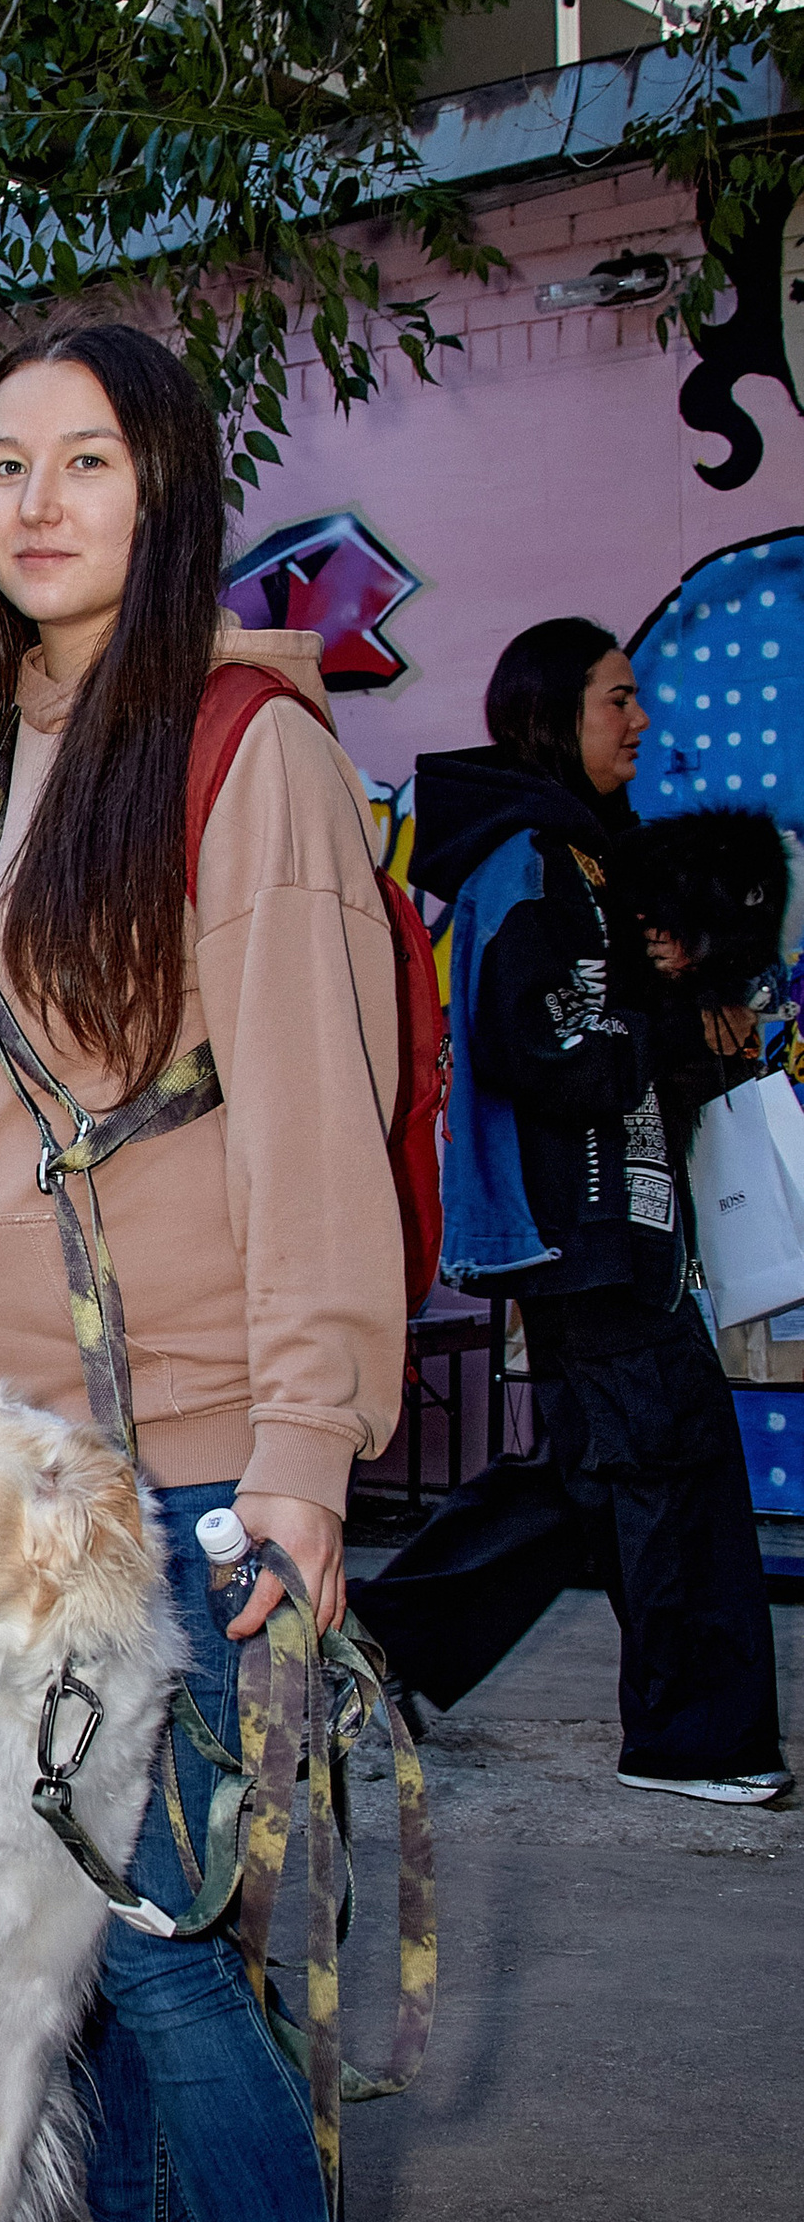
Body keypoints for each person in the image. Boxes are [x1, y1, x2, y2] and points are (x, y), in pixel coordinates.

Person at [0, 319, 406, 2222]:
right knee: (106, 1920)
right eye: (3, 466)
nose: (36, 503)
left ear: (165, 494)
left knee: (152, 1945)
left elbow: (314, 1124)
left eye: (85, 463)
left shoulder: (243, 753)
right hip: (9, 1469)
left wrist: (304, 1455)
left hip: (188, 1460)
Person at [407, 617, 789, 1806]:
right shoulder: (532, 857)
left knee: (589, 1477)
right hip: (585, 1237)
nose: (639, 720)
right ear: (551, 711)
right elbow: (543, 1047)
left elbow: (606, 1034)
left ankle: (383, 1639)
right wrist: (666, 1007)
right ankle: (692, 1741)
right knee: (672, 1470)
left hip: (616, 1232)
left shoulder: (585, 854)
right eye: (615, 698)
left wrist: (699, 1011)